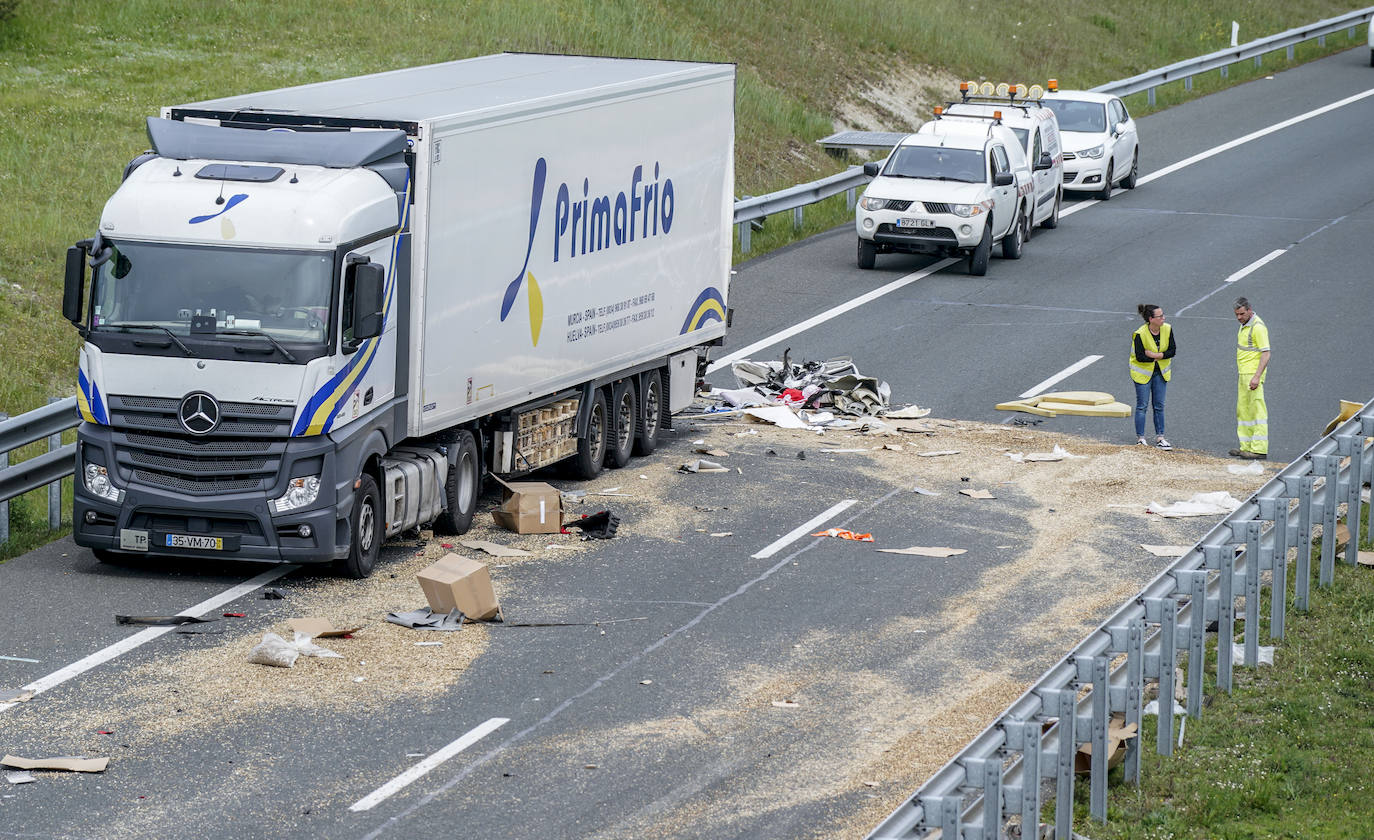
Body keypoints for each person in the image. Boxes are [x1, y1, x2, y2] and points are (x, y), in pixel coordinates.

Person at [1129, 303, 1175, 450]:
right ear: (1151, 319)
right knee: (1142, 406)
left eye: (1163, 315)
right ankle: (1141, 438)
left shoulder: (1167, 329)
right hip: (1143, 374)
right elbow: (1141, 356)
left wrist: (1155, 355)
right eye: (1160, 316)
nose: (1163, 318)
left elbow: (1172, 350)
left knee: (1159, 406)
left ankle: (1160, 437)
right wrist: (1159, 356)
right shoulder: (1140, 334)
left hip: (1160, 372)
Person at [1231, 297, 1270, 459]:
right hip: (1244, 374)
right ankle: (1246, 446)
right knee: (1243, 410)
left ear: (1249, 310)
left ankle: (1259, 449)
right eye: (1237, 315)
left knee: (1257, 411)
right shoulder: (1245, 325)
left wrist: (1257, 376)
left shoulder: (1258, 328)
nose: (1239, 317)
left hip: (1252, 375)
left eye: (1241, 314)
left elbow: (1266, 353)